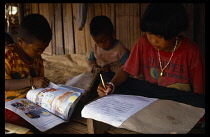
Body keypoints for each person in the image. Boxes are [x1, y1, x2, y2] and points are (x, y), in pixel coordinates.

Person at [97, 4, 205, 108]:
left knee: (198, 101)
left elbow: (199, 92)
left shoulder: (191, 51)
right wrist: (111, 85)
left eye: (159, 36)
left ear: (177, 33)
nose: (153, 40)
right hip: (150, 96)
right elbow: (126, 70)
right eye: (149, 33)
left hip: (177, 100)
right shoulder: (143, 43)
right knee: (109, 77)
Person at [5, 14, 52, 128]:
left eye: (43, 49)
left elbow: (39, 84)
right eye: (37, 49)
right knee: (20, 120)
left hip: (30, 103)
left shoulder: (37, 59)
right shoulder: (8, 55)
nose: (40, 53)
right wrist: (32, 81)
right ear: (21, 42)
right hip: (8, 105)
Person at [86, 15, 130, 101]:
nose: (101, 45)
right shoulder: (96, 48)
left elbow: (127, 69)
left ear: (112, 34)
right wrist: (95, 67)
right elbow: (90, 60)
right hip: (99, 75)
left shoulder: (120, 50)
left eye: (104, 41)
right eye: (98, 43)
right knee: (88, 87)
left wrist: (111, 69)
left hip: (113, 78)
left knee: (110, 90)